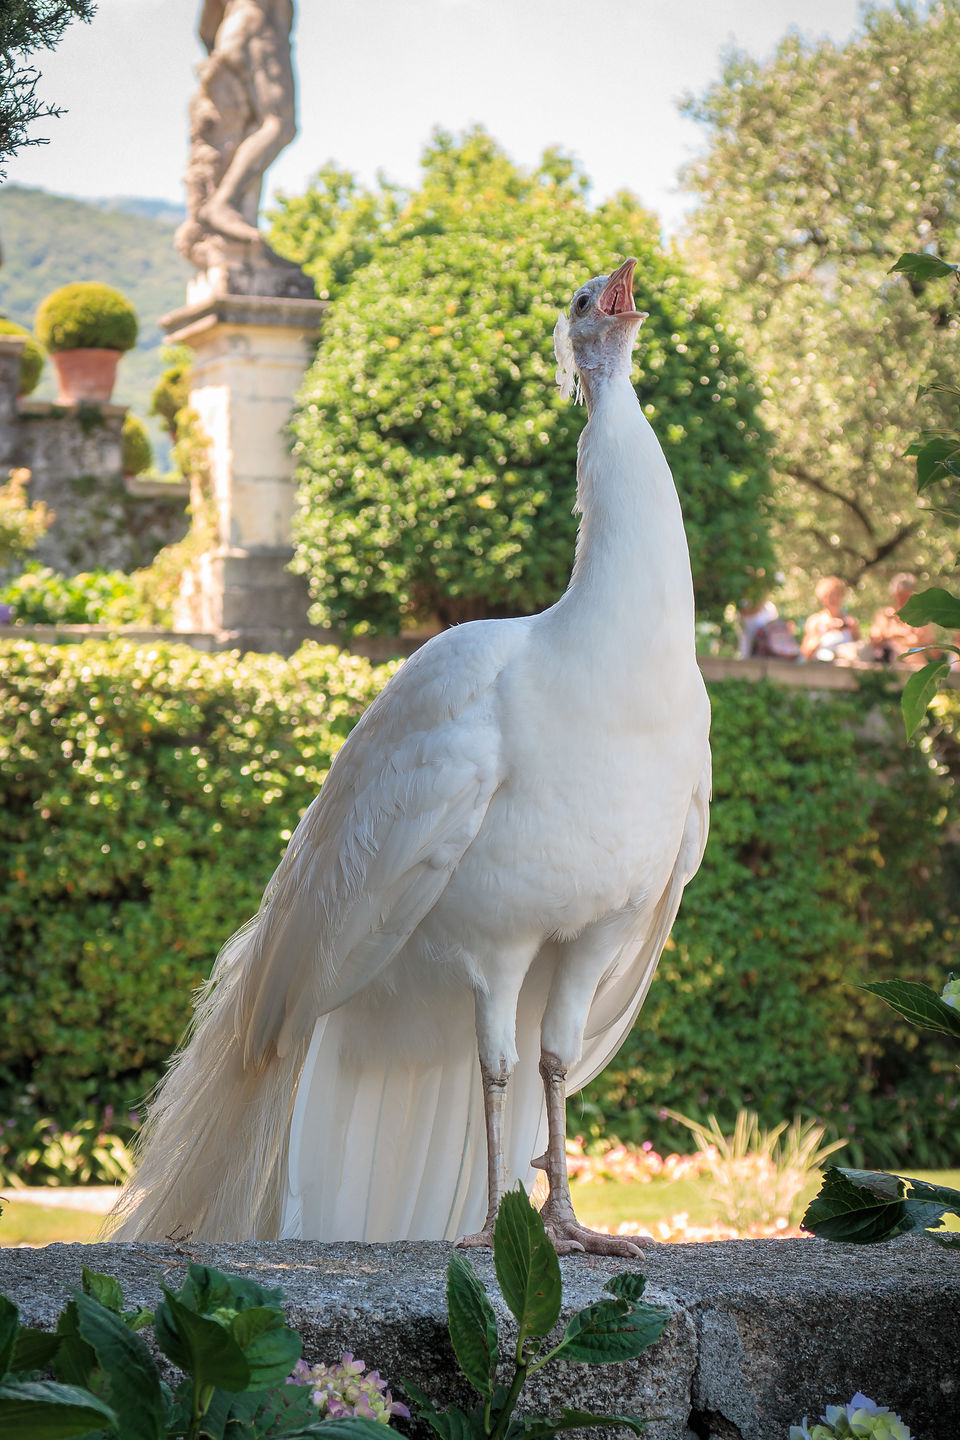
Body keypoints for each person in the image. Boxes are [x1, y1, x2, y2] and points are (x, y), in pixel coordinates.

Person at [869, 573, 941, 667]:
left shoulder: (921, 619)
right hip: (890, 668)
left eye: (907, 596)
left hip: (915, 668)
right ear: (894, 595)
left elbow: (936, 654)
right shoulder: (886, 616)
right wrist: (893, 634)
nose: (903, 600)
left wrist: (924, 640)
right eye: (900, 596)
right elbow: (874, 638)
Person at [800, 576, 861, 661]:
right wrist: (824, 630)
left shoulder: (850, 622)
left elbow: (859, 651)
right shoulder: (815, 621)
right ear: (822, 598)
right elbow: (806, 653)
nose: (834, 599)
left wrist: (852, 629)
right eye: (830, 595)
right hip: (820, 669)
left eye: (838, 594)